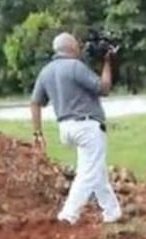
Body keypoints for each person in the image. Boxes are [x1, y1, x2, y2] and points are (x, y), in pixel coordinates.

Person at [29, 32, 122, 225]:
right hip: (87, 126)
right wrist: (107, 63)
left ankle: (112, 212)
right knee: (87, 173)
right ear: (71, 47)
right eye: (77, 45)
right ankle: (68, 215)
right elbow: (104, 88)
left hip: (66, 128)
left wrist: (38, 132)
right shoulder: (75, 67)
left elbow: (35, 102)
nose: (80, 48)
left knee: (96, 170)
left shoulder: (46, 71)